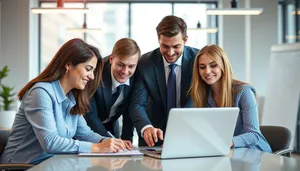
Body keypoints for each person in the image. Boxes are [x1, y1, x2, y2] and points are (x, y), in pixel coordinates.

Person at [0, 38, 132, 164]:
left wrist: (108, 141)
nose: (92, 76)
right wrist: (97, 148)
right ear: (68, 65)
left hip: (52, 164)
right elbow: (51, 142)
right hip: (22, 166)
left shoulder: (71, 97)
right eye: (88, 69)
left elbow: (85, 134)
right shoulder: (40, 92)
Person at [129, 15, 199, 147]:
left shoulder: (199, 60)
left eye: (176, 46)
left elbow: (197, 99)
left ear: (186, 40)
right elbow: (137, 104)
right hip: (154, 137)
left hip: (189, 133)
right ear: (158, 41)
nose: (171, 52)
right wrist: (146, 128)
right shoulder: (145, 63)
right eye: (165, 46)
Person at [189, 44, 272, 152]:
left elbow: (254, 135)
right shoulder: (204, 95)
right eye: (202, 67)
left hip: (254, 152)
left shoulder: (243, 91)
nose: (207, 71)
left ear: (223, 66)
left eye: (213, 65)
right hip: (228, 152)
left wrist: (227, 142)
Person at [85, 38, 140, 142]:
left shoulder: (137, 76)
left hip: (111, 128)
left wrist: (127, 141)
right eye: (120, 64)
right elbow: (90, 115)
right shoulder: (95, 72)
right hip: (88, 130)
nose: (125, 71)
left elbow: (130, 111)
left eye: (131, 66)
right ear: (111, 59)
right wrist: (108, 141)